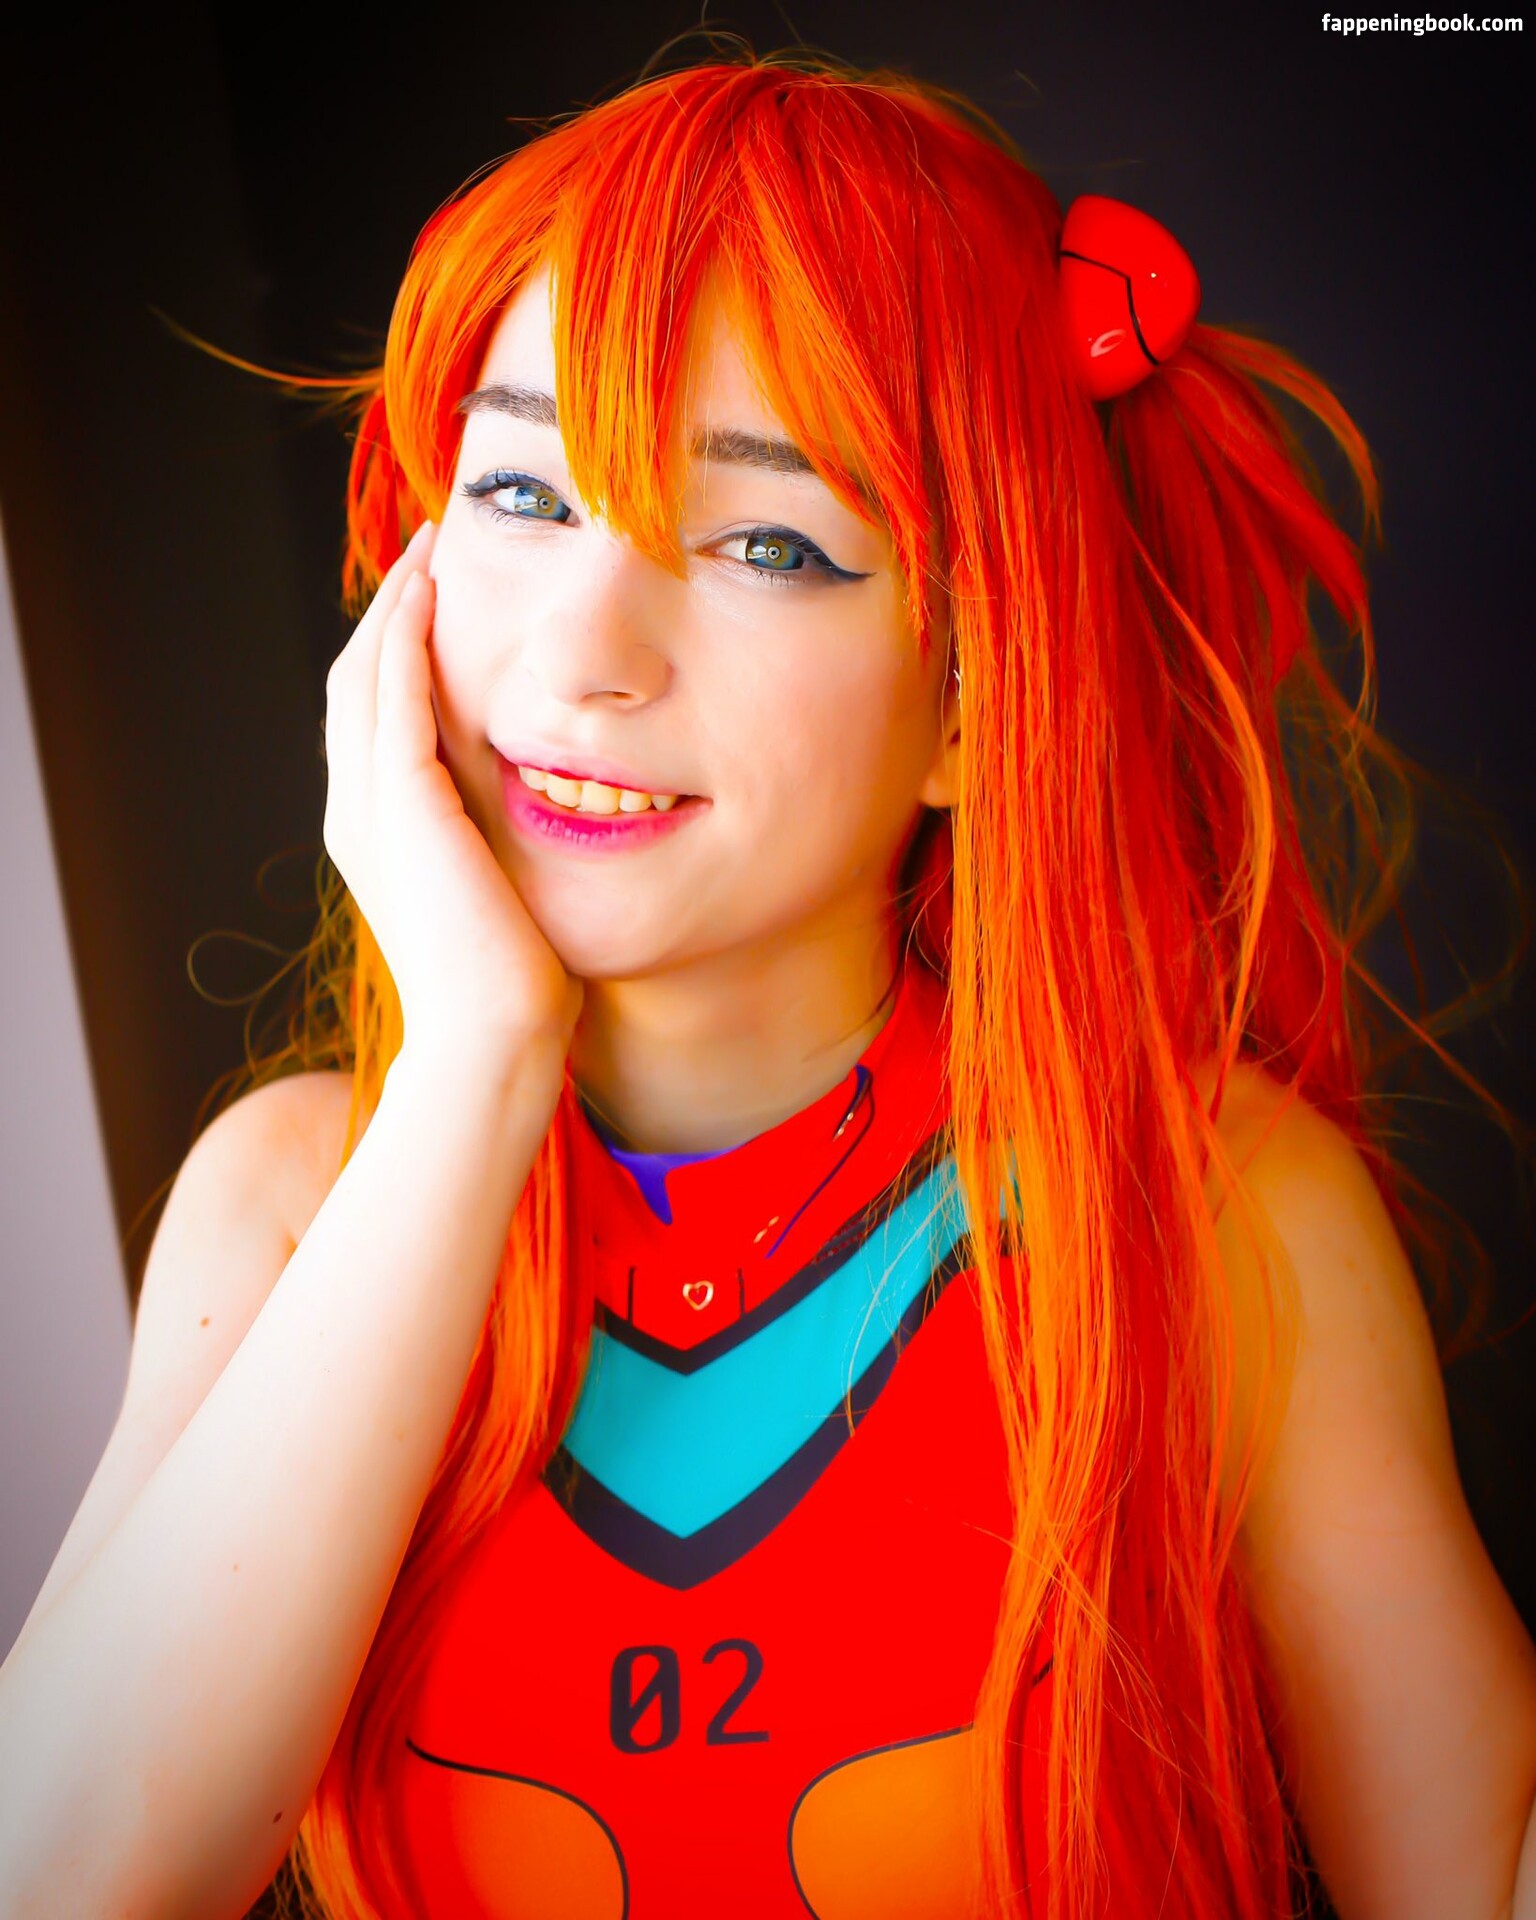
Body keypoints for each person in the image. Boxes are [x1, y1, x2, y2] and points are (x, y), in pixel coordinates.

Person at [1, 44, 1533, 1920]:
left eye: (765, 542)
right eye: (523, 493)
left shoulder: (1206, 1209)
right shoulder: (293, 1199)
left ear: (973, 696)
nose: (587, 652)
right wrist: (476, 1061)